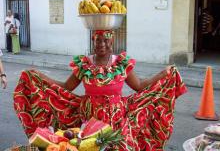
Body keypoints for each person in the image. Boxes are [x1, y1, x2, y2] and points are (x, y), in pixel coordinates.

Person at [14, 30, 187, 150]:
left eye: (106, 40)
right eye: (98, 40)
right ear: (93, 41)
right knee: (89, 148)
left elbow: (140, 86)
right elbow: (67, 87)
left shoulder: (121, 63)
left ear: (112, 41)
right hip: (88, 118)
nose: (101, 44)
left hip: (118, 119)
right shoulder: (84, 64)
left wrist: (161, 74)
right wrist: (41, 76)